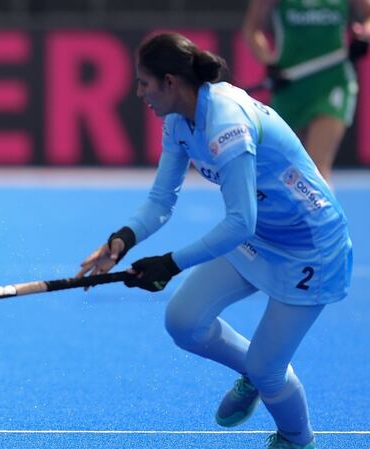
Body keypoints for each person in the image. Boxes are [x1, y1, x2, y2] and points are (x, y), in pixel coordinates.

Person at [77, 33, 352, 449]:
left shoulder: (227, 124)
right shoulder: (178, 122)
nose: (139, 93)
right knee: (184, 321)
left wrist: (170, 263)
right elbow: (160, 200)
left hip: (310, 247)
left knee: (269, 370)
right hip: (261, 237)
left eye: (145, 83)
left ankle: (298, 440)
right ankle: (255, 374)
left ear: (170, 82)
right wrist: (122, 239)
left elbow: (240, 221)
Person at [242, 0, 370, 182]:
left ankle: (324, 209)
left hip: (334, 83)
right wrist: (269, 63)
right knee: (283, 170)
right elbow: (252, 28)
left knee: (315, 170)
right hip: (290, 86)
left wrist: (364, 35)